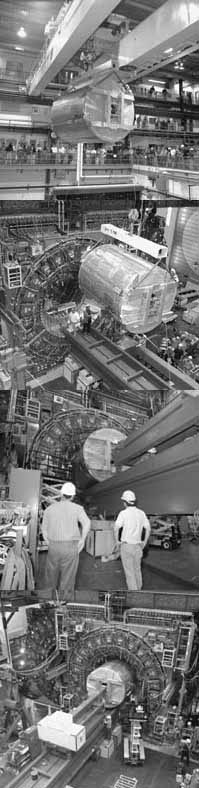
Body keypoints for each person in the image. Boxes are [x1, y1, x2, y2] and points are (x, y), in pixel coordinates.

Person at [41, 482, 91, 601]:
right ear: (73, 496)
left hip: (54, 546)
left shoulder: (49, 509)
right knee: (68, 580)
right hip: (71, 547)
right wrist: (82, 540)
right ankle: (63, 606)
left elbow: (44, 529)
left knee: (50, 578)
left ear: (61, 494)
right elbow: (87, 523)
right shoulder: (78, 509)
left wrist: (49, 542)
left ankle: (47, 602)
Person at [113, 490, 151, 591]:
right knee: (137, 570)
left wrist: (117, 541)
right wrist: (144, 542)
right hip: (138, 547)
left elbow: (116, 528)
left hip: (126, 546)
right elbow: (148, 528)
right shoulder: (141, 513)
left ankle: (135, 596)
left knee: (129, 573)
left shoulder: (123, 513)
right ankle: (139, 590)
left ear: (125, 502)